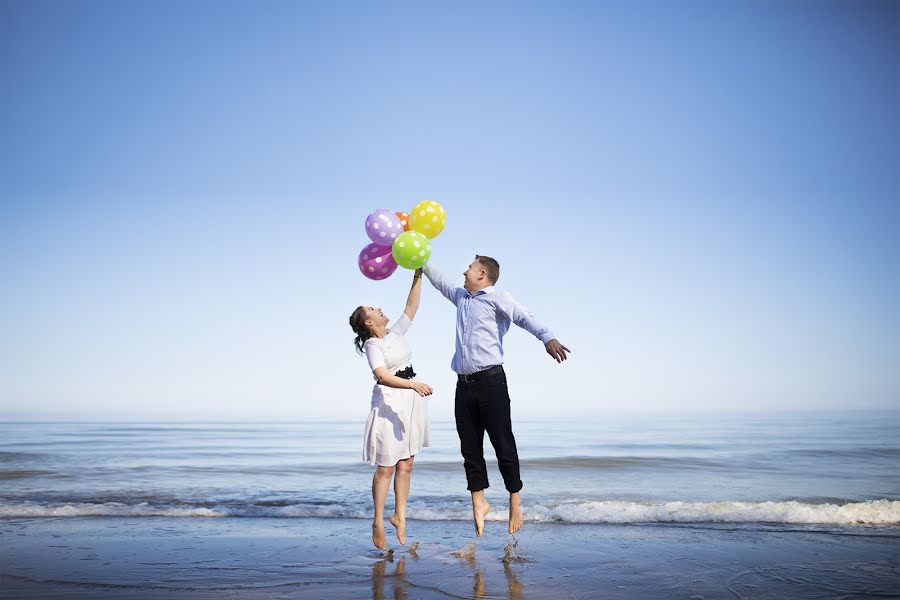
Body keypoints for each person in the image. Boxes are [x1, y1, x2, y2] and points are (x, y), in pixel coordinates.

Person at [422, 256, 570, 536]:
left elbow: (524, 317)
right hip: (463, 385)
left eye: (469, 267)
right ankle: (479, 500)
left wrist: (547, 337)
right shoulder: (462, 298)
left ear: (481, 274)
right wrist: (422, 261)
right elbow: (440, 281)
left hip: (491, 382)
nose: (464, 270)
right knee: (469, 447)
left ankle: (515, 499)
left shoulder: (498, 298)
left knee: (503, 442)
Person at [349, 268, 433, 550]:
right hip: (389, 403)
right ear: (369, 322)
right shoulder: (373, 344)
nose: (379, 308)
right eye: (372, 309)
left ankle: (399, 515)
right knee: (386, 467)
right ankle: (377, 520)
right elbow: (382, 376)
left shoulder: (395, 332)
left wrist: (417, 275)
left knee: (407, 464)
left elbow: (412, 306)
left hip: (410, 403)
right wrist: (413, 386)